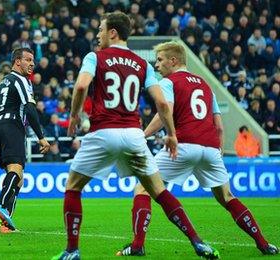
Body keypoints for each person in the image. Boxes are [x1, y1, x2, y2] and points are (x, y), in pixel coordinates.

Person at [51, 12, 218, 259]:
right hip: (133, 135)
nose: (97, 35)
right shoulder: (142, 64)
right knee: (159, 192)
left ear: (113, 33)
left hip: (103, 134)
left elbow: (81, 86)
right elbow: (161, 101)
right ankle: (198, 242)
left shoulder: (94, 57)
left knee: (73, 187)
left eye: (100, 30)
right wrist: (171, 133)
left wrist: (75, 115)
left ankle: (72, 250)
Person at [119, 41, 278, 256]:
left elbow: (165, 111)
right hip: (211, 149)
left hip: (183, 145)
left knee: (143, 188)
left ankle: (137, 245)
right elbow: (219, 126)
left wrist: (143, 134)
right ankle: (263, 243)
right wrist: (218, 150)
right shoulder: (205, 85)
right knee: (227, 197)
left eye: (160, 60)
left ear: (173, 60)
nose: (157, 65)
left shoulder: (169, 82)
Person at [0, 47, 50, 233]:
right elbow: (30, 109)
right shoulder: (22, 80)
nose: (32, 64)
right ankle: (0, 207)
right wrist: (41, 137)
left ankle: (5, 223)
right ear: (17, 62)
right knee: (16, 169)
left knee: (18, 178)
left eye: (33, 61)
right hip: (11, 126)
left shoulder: (3, 83)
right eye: (28, 60)